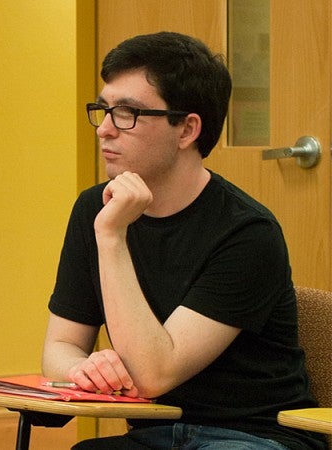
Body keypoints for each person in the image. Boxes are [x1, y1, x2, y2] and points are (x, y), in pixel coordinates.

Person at [42, 32, 326, 449]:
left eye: (127, 113)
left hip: (253, 435)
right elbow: (61, 345)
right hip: (154, 432)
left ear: (187, 128)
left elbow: (156, 374)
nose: (104, 130)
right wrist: (84, 369)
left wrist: (112, 235)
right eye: (103, 110)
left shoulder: (248, 231)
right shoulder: (94, 209)